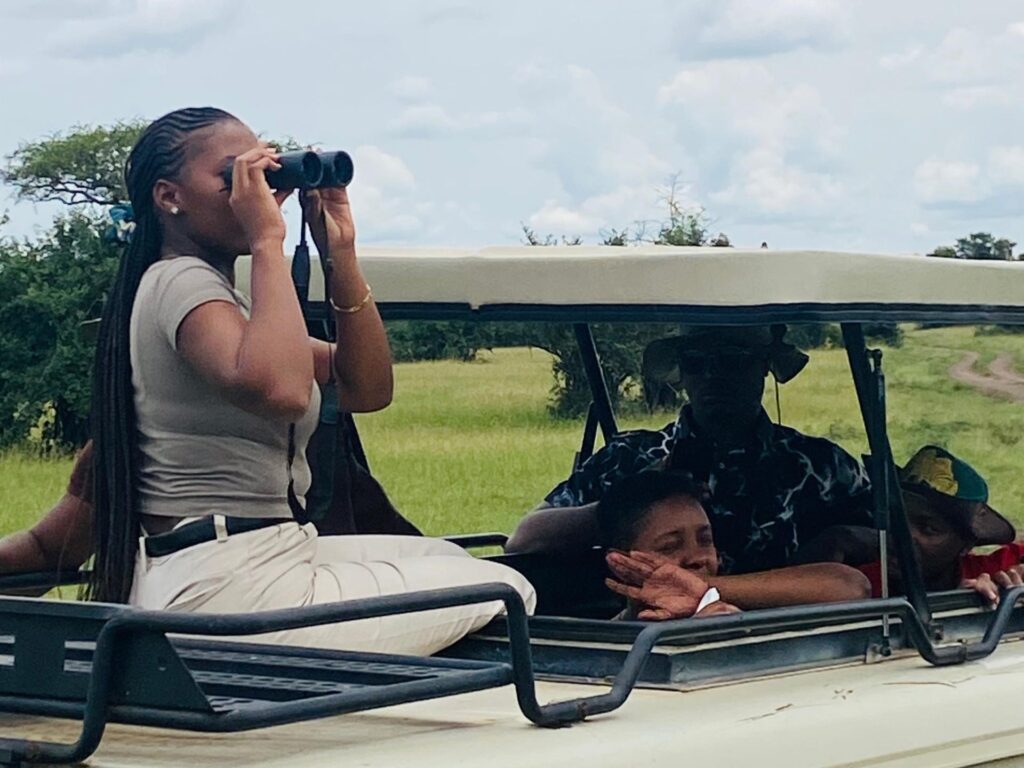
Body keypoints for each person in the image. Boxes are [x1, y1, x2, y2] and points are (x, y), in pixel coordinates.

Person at [80, 106, 533, 655]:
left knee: (452, 562)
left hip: (250, 558)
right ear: (169, 197)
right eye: (235, 176)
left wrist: (340, 252)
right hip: (226, 586)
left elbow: (366, 387)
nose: (259, 189)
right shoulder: (181, 280)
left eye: (265, 172)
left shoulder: (226, 302)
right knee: (506, 587)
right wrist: (269, 243)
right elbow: (284, 391)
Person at [507, 325, 872, 574]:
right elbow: (525, 540)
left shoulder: (821, 466)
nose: (713, 375)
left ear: (764, 366)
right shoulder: (630, 458)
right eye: (696, 362)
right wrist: (631, 500)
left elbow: (901, 541)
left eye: (731, 361)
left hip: (799, 640)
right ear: (681, 372)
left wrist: (838, 541)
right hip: (655, 637)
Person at [600, 472, 870, 619]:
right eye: (669, 547)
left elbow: (851, 587)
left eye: (705, 540)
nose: (696, 557)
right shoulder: (600, 642)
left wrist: (706, 593)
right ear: (620, 562)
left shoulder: (731, 611)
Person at [846, 446, 1023, 604]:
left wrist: (1000, 592)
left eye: (929, 529)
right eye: (897, 520)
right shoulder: (858, 587)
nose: (904, 535)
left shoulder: (993, 570)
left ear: (966, 545)